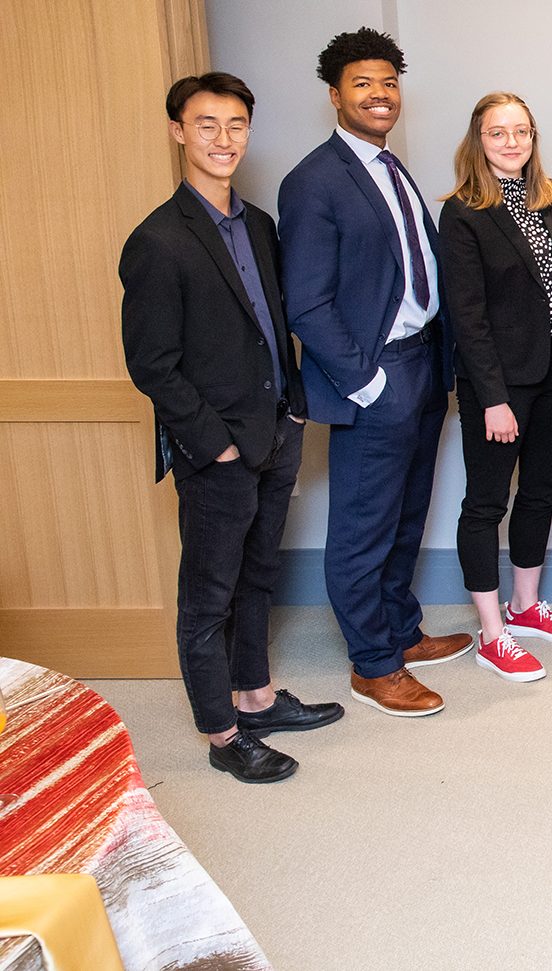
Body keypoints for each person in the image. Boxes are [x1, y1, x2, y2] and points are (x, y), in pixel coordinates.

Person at [120, 72, 341, 783]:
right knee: (208, 593)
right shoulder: (158, 240)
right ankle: (222, 733)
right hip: (215, 447)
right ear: (178, 131)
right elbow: (152, 364)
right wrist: (210, 440)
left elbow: (272, 327)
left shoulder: (259, 226)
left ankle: (257, 695)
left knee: (258, 577)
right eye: (206, 124)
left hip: (275, 429)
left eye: (236, 124)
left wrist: (297, 401)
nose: (223, 139)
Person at [280, 28, 470, 718]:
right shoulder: (314, 180)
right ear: (335, 94)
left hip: (421, 364)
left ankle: (401, 630)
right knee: (363, 524)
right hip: (376, 376)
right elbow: (306, 301)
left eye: (388, 82)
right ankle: (373, 662)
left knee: (406, 514)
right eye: (363, 83)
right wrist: (368, 383)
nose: (379, 94)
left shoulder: (391, 168)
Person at [438, 92, 552, 685]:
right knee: (486, 504)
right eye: (497, 133)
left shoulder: (550, 200)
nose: (511, 142)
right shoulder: (463, 212)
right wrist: (493, 398)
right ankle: (491, 634)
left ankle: (525, 607)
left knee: (542, 492)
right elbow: (466, 316)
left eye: (520, 131)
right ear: (478, 140)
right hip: (496, 384)